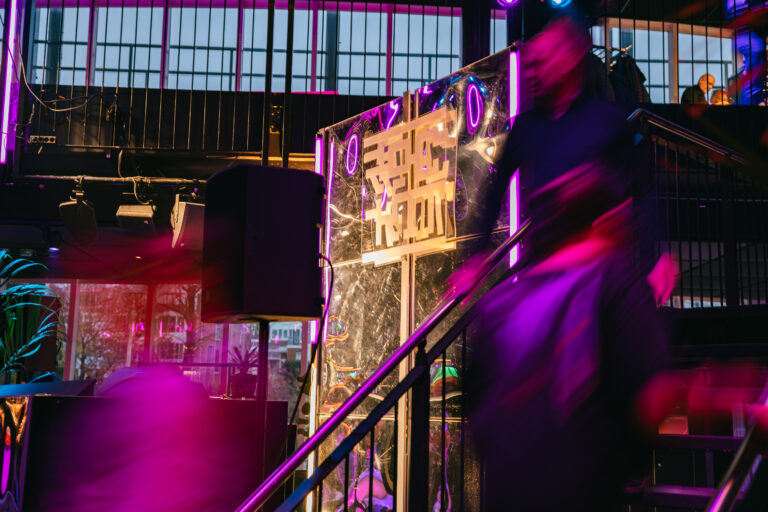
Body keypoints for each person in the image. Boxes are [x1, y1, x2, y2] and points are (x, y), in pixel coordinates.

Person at [466, 162, 767, 511]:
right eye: (626, 218)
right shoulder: (612, 279)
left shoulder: (500, 302)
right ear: (608, 221)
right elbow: (652, 400)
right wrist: (738, 395)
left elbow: (479, 416)